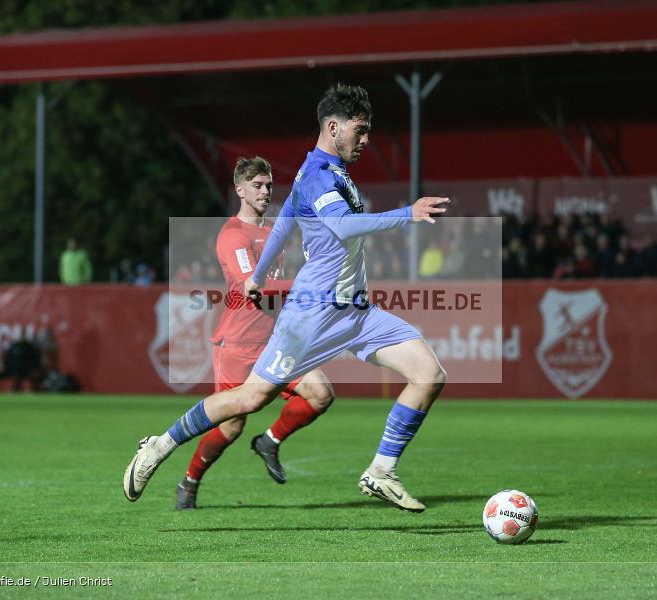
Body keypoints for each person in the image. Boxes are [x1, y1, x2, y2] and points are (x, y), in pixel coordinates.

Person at [124, 83, 449, 512]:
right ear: (333, 127)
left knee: (429, 373)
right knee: (249, 399)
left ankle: (381, 471)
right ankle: (159, 446)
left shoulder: (320, 172)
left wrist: (258, 276)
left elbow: (281, 226)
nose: (366, 139)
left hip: (355, 311)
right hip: (311, 316)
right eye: (361, 130)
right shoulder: (317, 175)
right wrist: (407, 212)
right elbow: (344, 228)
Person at [175, 156, 333, 510]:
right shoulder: (232, 235)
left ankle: (271, 440)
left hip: (275, 342)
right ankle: (189, 480)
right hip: (238, 345)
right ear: (240, 190)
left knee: (321, 393)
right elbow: (254, 288)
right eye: (258, 186)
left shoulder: (275, 230)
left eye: (268, 185)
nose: (265, 192)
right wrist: (308, 284)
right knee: (231, 427)